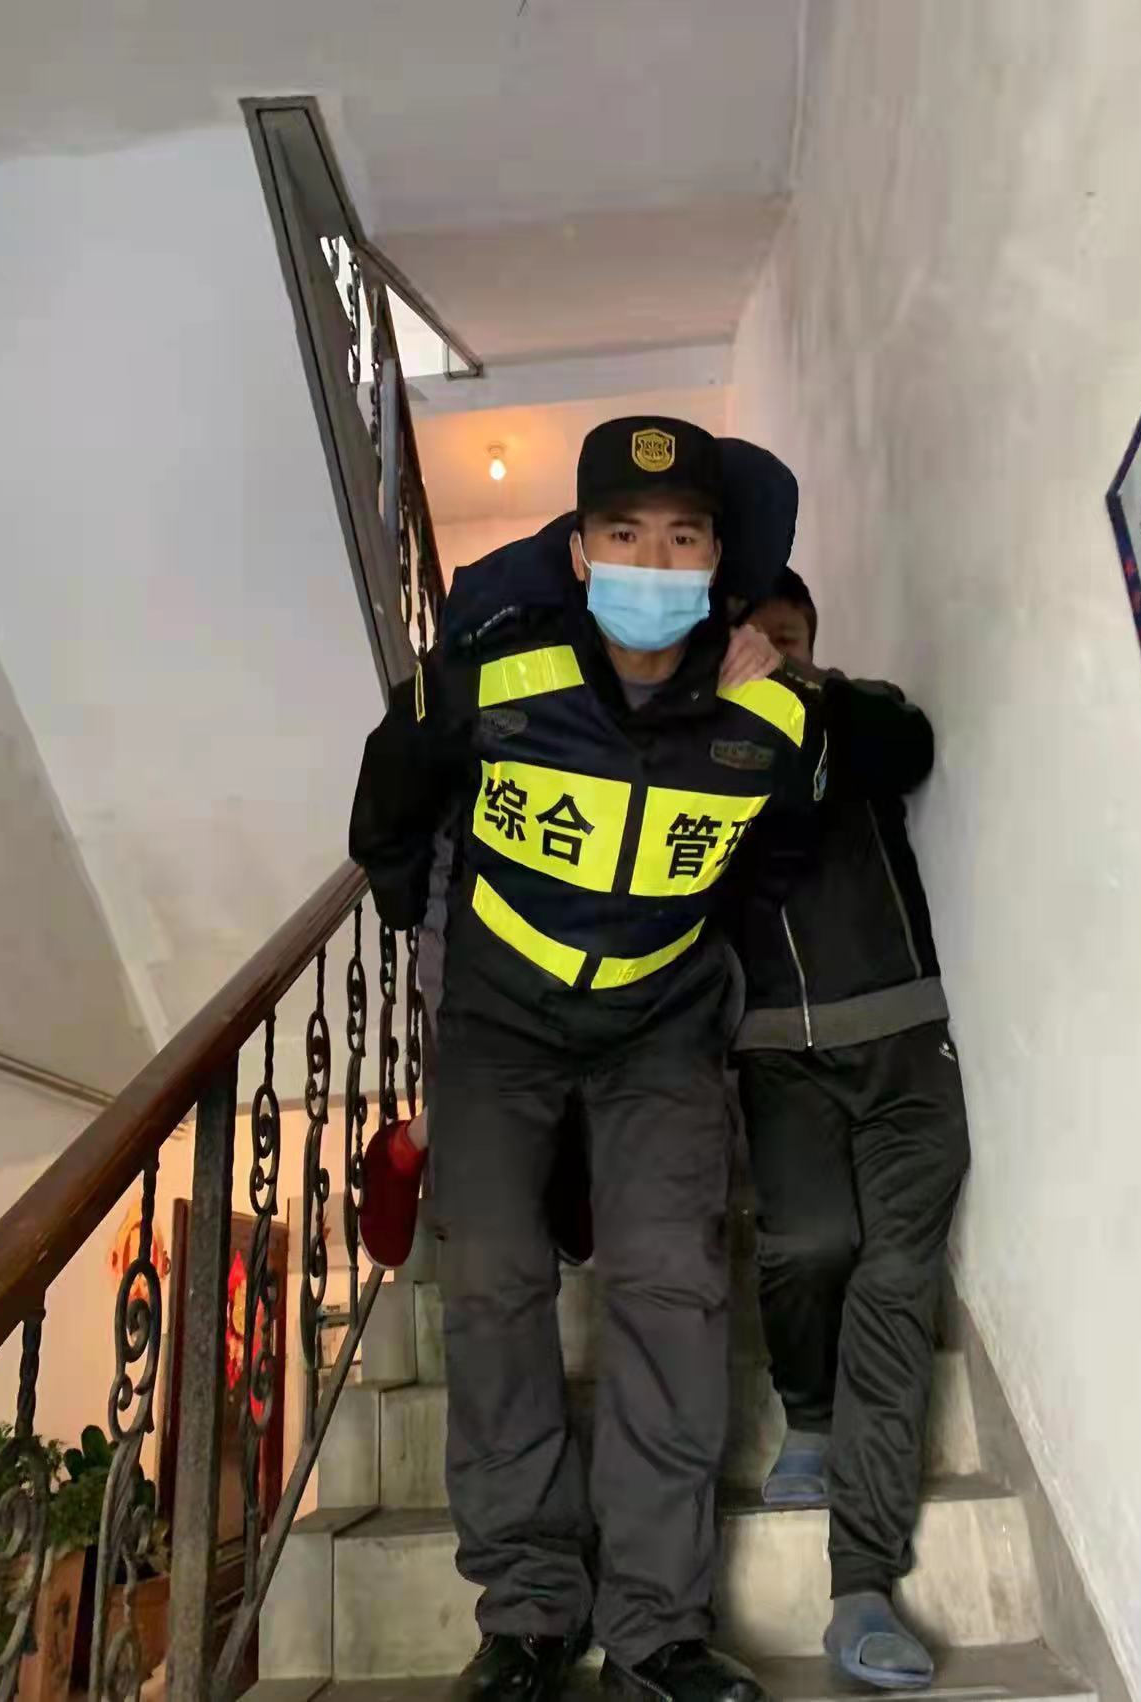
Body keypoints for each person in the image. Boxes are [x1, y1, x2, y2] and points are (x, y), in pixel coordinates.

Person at [350, 418, 823, 1702]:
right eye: (623, 534)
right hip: (498, 1023)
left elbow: (774, 859)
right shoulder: (492, 673)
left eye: (681, 539)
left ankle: (659, 1630)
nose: (651, 564)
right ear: (577, 549)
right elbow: (390, 802)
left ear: (718, 561)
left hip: (659, 1028)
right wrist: (415, 914)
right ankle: (528, 1617)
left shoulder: (771, 716)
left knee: (672, 1286)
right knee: (491, 1283)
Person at [727, 568, 971, 1693]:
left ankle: (863, 1584)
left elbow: (906, 745)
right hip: (780, 1054)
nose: (772, 654)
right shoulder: (711, 753)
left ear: (813, 642)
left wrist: (795, 693)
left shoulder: (858, 714)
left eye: (790, 639)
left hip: (905, 1041)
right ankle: (812, 1413)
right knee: (810, 1242)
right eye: (755, 640)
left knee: (897, 1279)